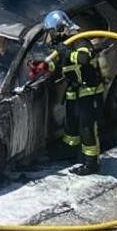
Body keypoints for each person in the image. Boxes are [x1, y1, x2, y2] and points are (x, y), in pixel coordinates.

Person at [37, 10, 106, 174]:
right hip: (74, 91)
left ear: (61, 28)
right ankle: (69, 151)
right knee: (71, 125)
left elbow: (83, 59)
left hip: (90, 90)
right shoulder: (62, 45)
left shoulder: (79, 41)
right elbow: (58, 66)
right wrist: (42, 65)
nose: (51, 36)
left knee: (87, 128)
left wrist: (65, 51)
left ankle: (92, 162)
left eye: (52, 31)